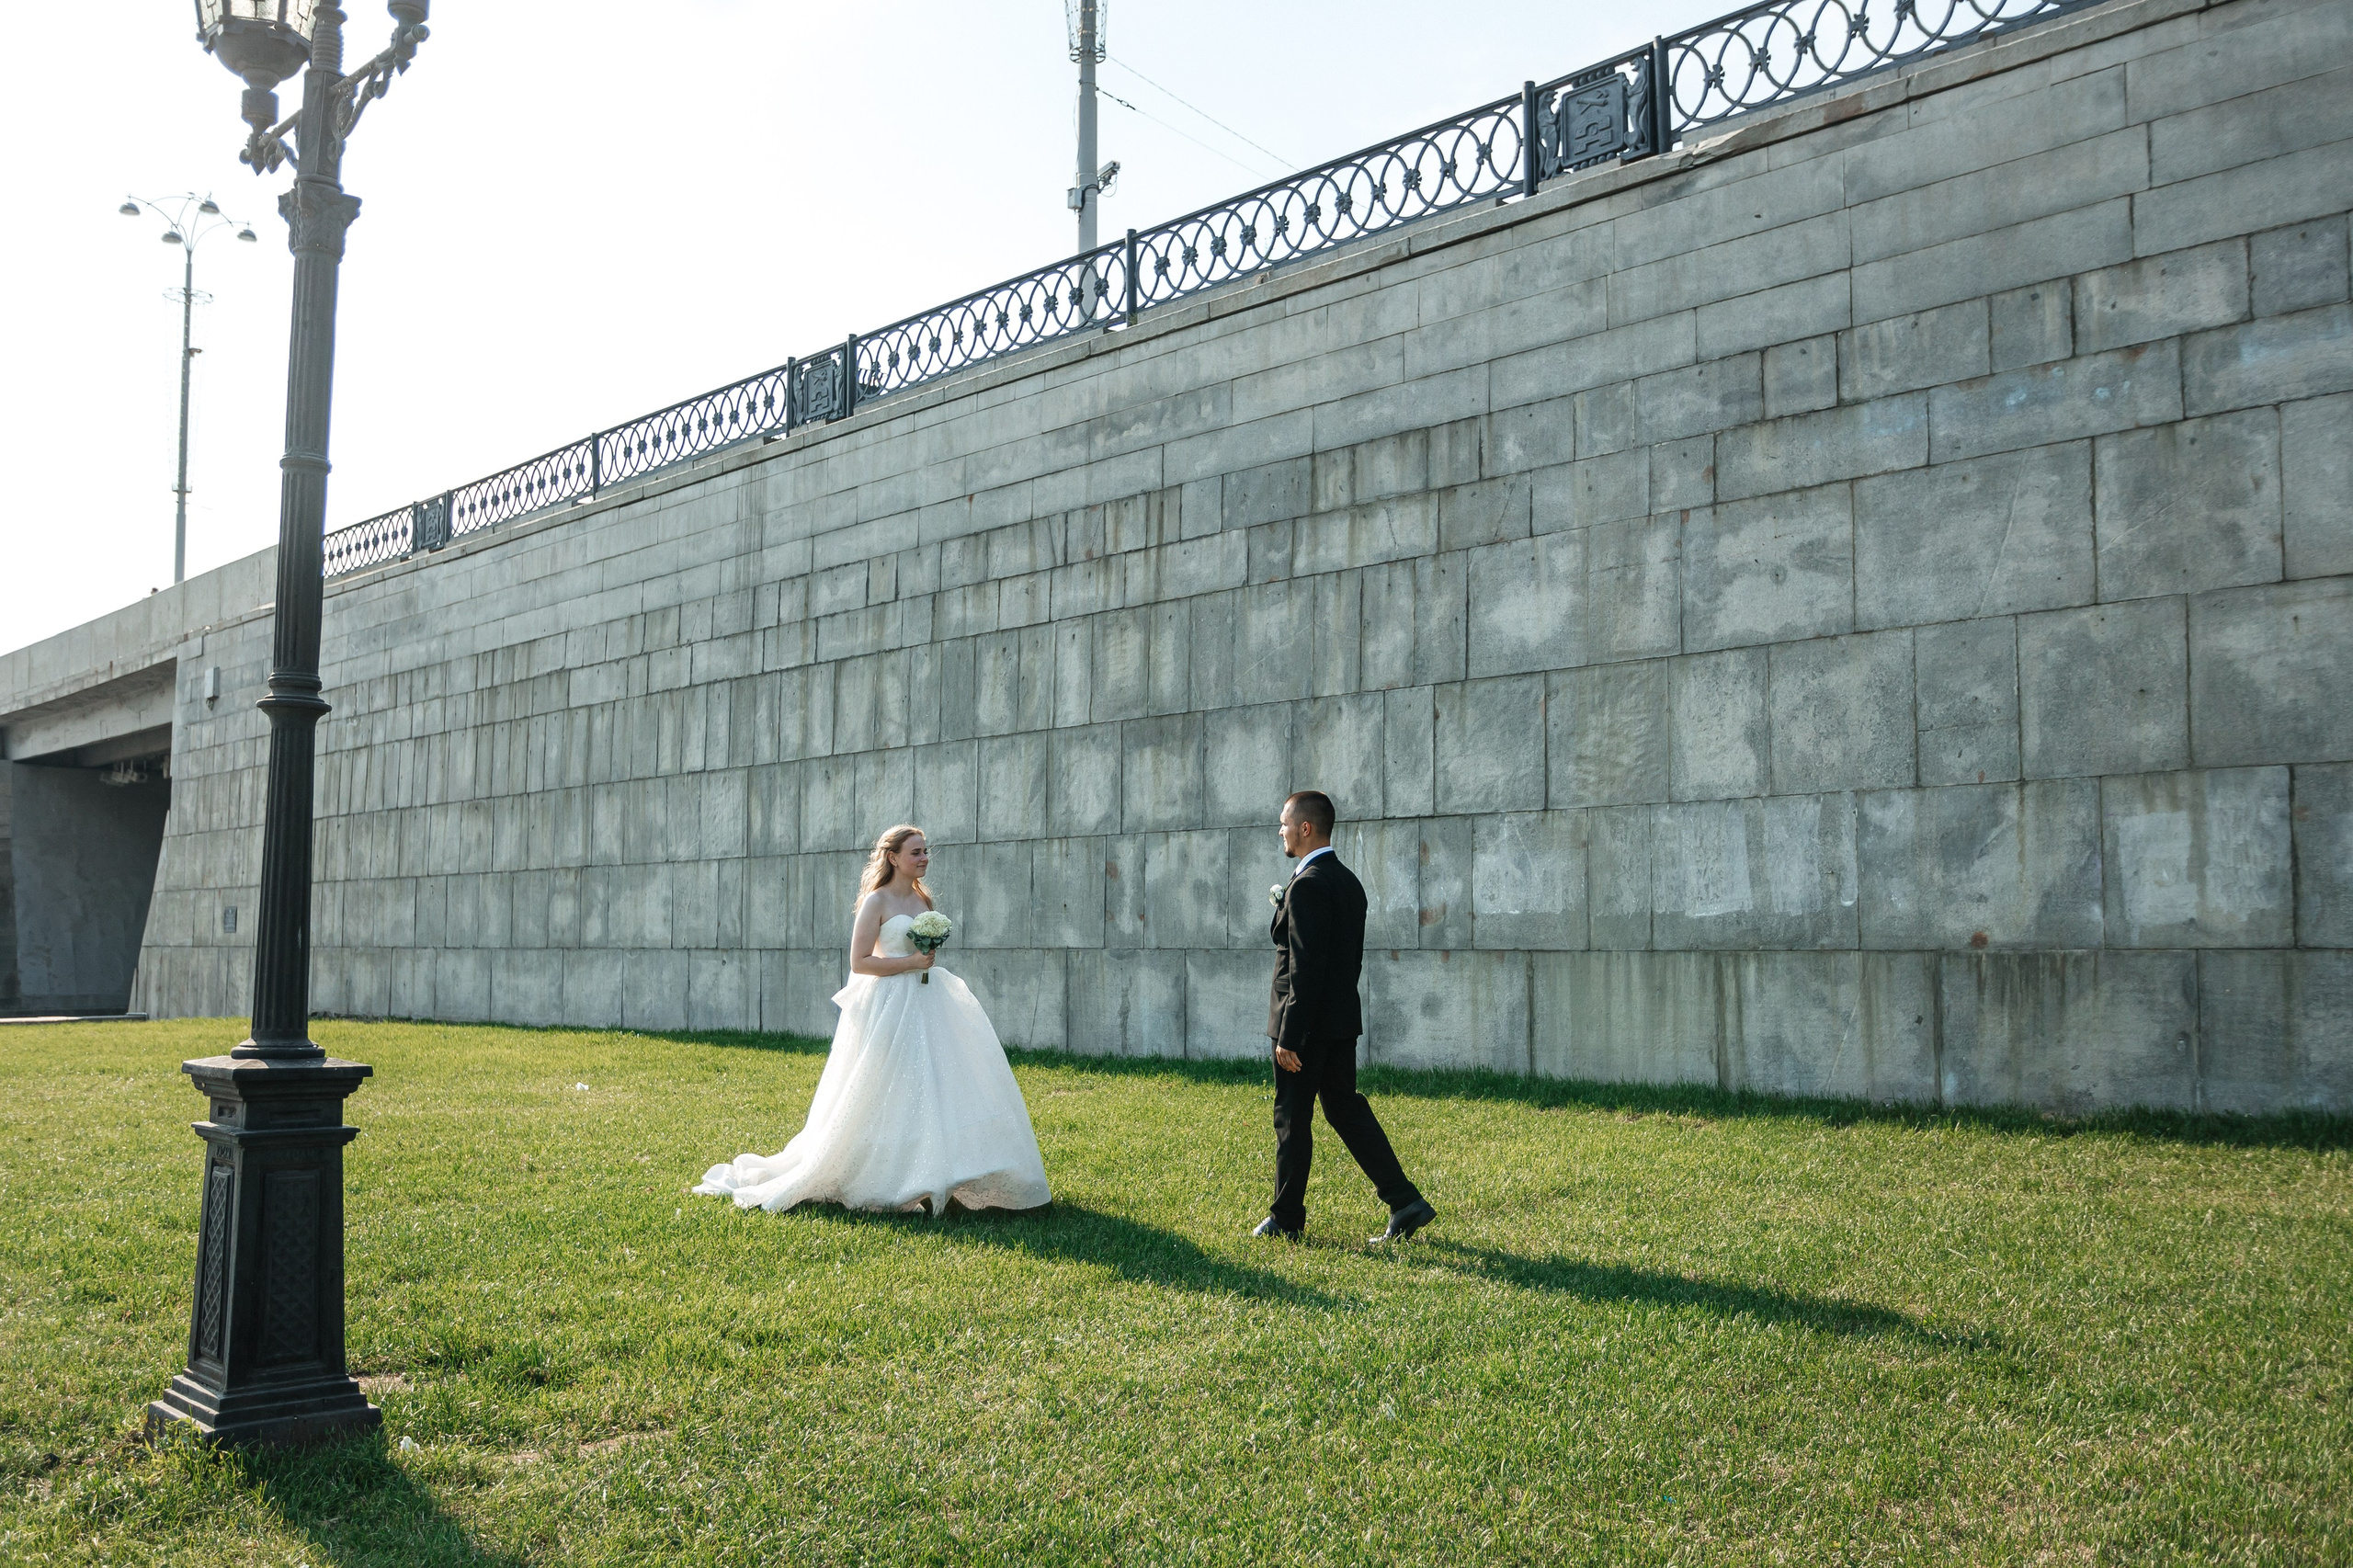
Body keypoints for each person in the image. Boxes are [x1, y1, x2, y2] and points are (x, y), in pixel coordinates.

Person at [694, 824, 1051, 1216]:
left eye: (925, 851)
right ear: (893, 858)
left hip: (928, 1001)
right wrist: (911, 962)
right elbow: (860, 962)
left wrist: (924, 961)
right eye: (916, 852)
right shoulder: (876, 901)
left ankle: (938, 1172)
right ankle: (888, 1173)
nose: (924, 858)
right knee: (890, 1086)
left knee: (936, 1083)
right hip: (890, 1005)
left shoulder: (923, 899)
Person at [1256, 790, 1437, 1244]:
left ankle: (1286, 1219)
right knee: (1344, 1109)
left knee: (1292, 1118)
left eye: (1284, 823)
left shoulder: (1308, 884)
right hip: (1338, 1023)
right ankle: (1404, 1201)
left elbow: (1306, 967)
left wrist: (1290, 1035)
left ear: (1305, 828)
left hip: (1305, 1027)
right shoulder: (1348, 881)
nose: (1280, 830)